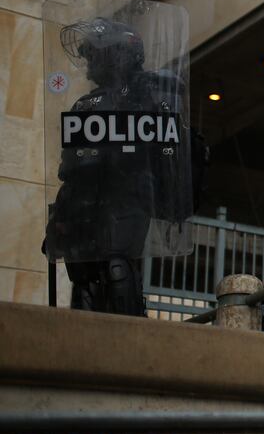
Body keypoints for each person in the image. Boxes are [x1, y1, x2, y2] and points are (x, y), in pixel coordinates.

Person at [45, 18, 190, 316]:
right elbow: (70, 169)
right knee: (84, 283)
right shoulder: (86, 104)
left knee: (118, 268)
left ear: (118, 55)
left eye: (95, 54)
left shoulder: (151, 91)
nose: (88, 62)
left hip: (128, 197)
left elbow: (166, 148)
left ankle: (129, 338)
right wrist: (60, 217)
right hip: (85, 207)